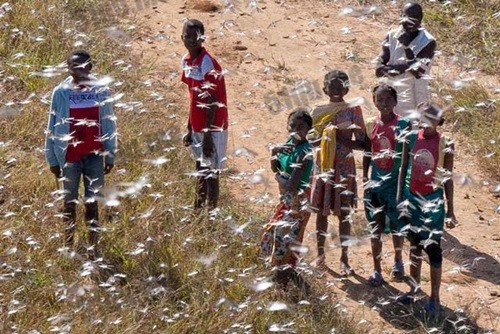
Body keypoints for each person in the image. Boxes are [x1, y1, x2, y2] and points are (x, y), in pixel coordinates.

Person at [45, 50, 117, 254]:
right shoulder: (61, 92)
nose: (78, 71)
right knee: (69, 203)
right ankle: (68, 246)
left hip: (94, 155)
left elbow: (108, 122)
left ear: (91, 66)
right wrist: (52, 158)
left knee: (92, 202)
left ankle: (93, 246)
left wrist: (110, 153)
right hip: (69, 157)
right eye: (73, 67)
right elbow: (52, 125)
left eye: (83, 66)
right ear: (68, 68)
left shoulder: (101, 90)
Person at [396, 102, 458, 315]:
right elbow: (404, 167)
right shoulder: (411, 137)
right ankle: (414, 290)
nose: (426, 121)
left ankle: (435, 297)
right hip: (411, 198)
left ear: (439, 121)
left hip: (432, 202)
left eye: (431, 117)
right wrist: (399, 198)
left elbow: (448, 178)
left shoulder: (446, 143)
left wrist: (451, 210)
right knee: (414, 245)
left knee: (432, 249)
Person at [309, 70, 368, 275]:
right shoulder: (318, 111)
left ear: (346, 88)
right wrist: (324, 138)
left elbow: (363, 141)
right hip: (324, 166)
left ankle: (344, 258)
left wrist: (341, 139)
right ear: (324, 88)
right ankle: (320, 257)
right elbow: (309, 139)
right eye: (330, 86)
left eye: (339, 85)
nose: (335, 89)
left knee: (344, 213)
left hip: (344, 166)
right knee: (321, 214)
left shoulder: (353, 110)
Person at [363, 84, 411, 286]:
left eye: (388, 100)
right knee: (375, 226)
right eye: (379, 100)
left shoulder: (403, 125)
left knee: (397, 226)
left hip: (395, 184)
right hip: (375, 183)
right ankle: (376, 270)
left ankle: (398, 262)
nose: (384, 104)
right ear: (374, 101)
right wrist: (365, 178)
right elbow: (367, 151)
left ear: (396, 101)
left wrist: (401, 189)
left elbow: (405, 159)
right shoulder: (369, 124)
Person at [260, 108, 314, 288]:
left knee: (284, 242)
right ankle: (287, 280)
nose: (297, 130)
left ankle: (285, 282)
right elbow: (275, 167)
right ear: (287, 127)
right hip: (286, 201)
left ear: (309, 130)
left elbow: (291, 185)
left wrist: (279, 178)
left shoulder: (305, 152)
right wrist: (274, 151)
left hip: (297, 204)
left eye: (302, 127)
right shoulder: (289, 144)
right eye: (293, 126)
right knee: (274, 237)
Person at [181, 19, 228, 211]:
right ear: (181, 37)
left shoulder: (208, 63)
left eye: (196, 36)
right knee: (200, 169)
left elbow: (212, 100)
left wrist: (208, 135)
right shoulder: (186, 60)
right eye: (187, 36)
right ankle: (197, 210)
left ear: (203, 38)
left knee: (212, 173)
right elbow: (192, 96)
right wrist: (189, 126)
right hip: (199, 125)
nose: (191, 40)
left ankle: (211, 214)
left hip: (214, 126)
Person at [375, 2, 436, 117]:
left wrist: (407, 48)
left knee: (413, 131)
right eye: (408, 16)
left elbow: (418, 73)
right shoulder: (391, 36)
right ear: (401, 16)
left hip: (415, 97)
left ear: (421, 18)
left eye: (415, 17)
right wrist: (407, 67)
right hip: (390, 97)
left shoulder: (428, 41)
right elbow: (379, 71)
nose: (411, 21)